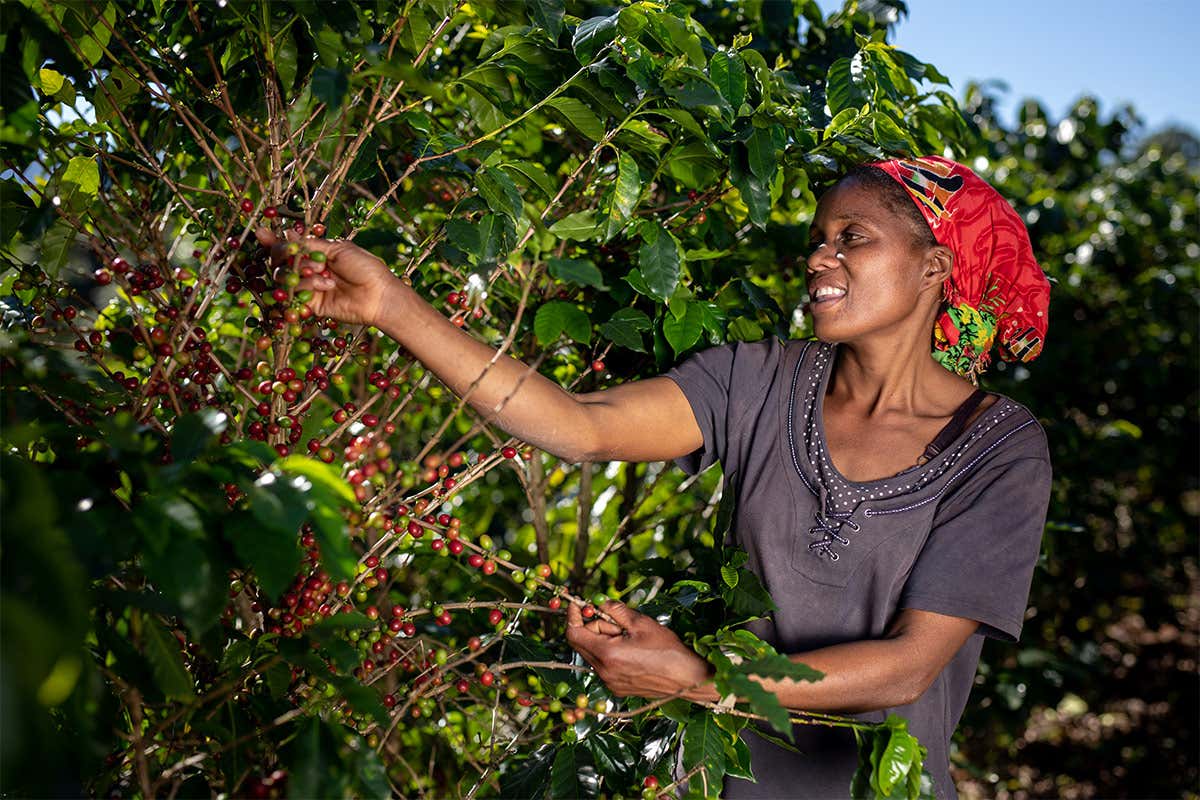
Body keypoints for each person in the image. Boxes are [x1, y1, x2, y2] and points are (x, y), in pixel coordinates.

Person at [257, 155, 1053, 799]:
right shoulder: (760, 381)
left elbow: (911, 667)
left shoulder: (999, 447)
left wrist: (699, 680)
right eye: (818, 238)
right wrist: (394, 307)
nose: (819, 257)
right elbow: (579, 424)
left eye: (853, 237)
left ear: (933, 266)